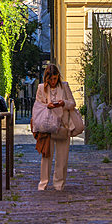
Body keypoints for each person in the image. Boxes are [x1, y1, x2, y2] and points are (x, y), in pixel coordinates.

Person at [33, 63, 76, 191]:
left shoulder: (64, 87)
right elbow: (38, 106)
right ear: (46, 78)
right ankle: (43, 183)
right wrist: (48, 106)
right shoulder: (41, 88)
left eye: (55, 79)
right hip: (47, 125)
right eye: (50, 79)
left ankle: (59, 184)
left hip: (63, 125)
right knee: (46, 155)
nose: (53, 81)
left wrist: (63, 103)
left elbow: (72, 104)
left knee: (62, 157)